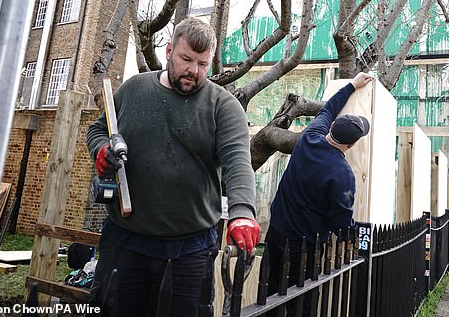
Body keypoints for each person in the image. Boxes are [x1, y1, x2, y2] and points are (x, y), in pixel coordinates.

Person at [86, 17, 260, 317]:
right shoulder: (134, 90)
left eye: (203, 64)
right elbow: (99, 129)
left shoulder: (223, 106)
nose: (194, 71)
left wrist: (243, 213)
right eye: (186, 59)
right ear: (168, 51)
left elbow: (237, 160)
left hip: (190, 250)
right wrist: (102, 149)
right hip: (125, 240)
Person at [265, 72, 374, 314]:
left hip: (276, 232)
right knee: (301, 301)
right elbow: (340, 222)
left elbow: (329, 109)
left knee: (268, 295)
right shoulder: (342, 174)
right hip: (304, 247)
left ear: (332, 126)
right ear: (352, 145)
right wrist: (358, 236)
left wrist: (352, 85)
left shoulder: (309, 137)